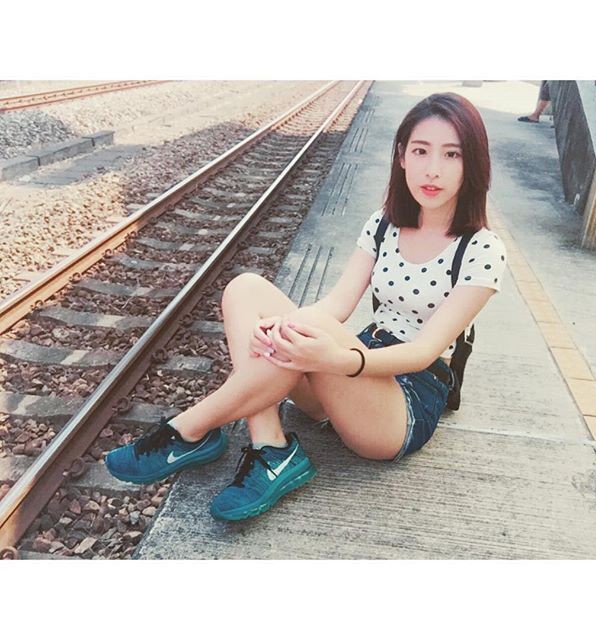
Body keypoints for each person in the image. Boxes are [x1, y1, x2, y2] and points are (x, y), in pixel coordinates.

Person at [104, 93, 508, 522]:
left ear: (472, 162)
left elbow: (423, 352)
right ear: (402, 156)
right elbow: (337, 304)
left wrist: (335, 358)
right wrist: (282, 327)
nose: (433, 169)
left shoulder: (481, 250)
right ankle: (270, 446)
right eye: (421, 151)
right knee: (245, 289)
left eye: (451, 154)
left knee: (304, 329)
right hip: (351, 368)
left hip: (405, 401)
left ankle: (188, 428)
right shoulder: (384, 224)